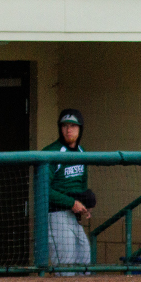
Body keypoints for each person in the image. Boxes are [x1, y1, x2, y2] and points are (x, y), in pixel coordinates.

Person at [42, 109, 96, 270]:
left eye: (73, 126)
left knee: (84, 256)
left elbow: (81, 183)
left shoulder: (82, 152)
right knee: (66, 265)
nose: (68, 130)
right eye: (65, 125)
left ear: (80, 129)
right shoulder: (51, 152)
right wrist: (71, 203)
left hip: (73, 215)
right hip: (56, 214)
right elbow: (43, 189)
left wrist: (84, 205)